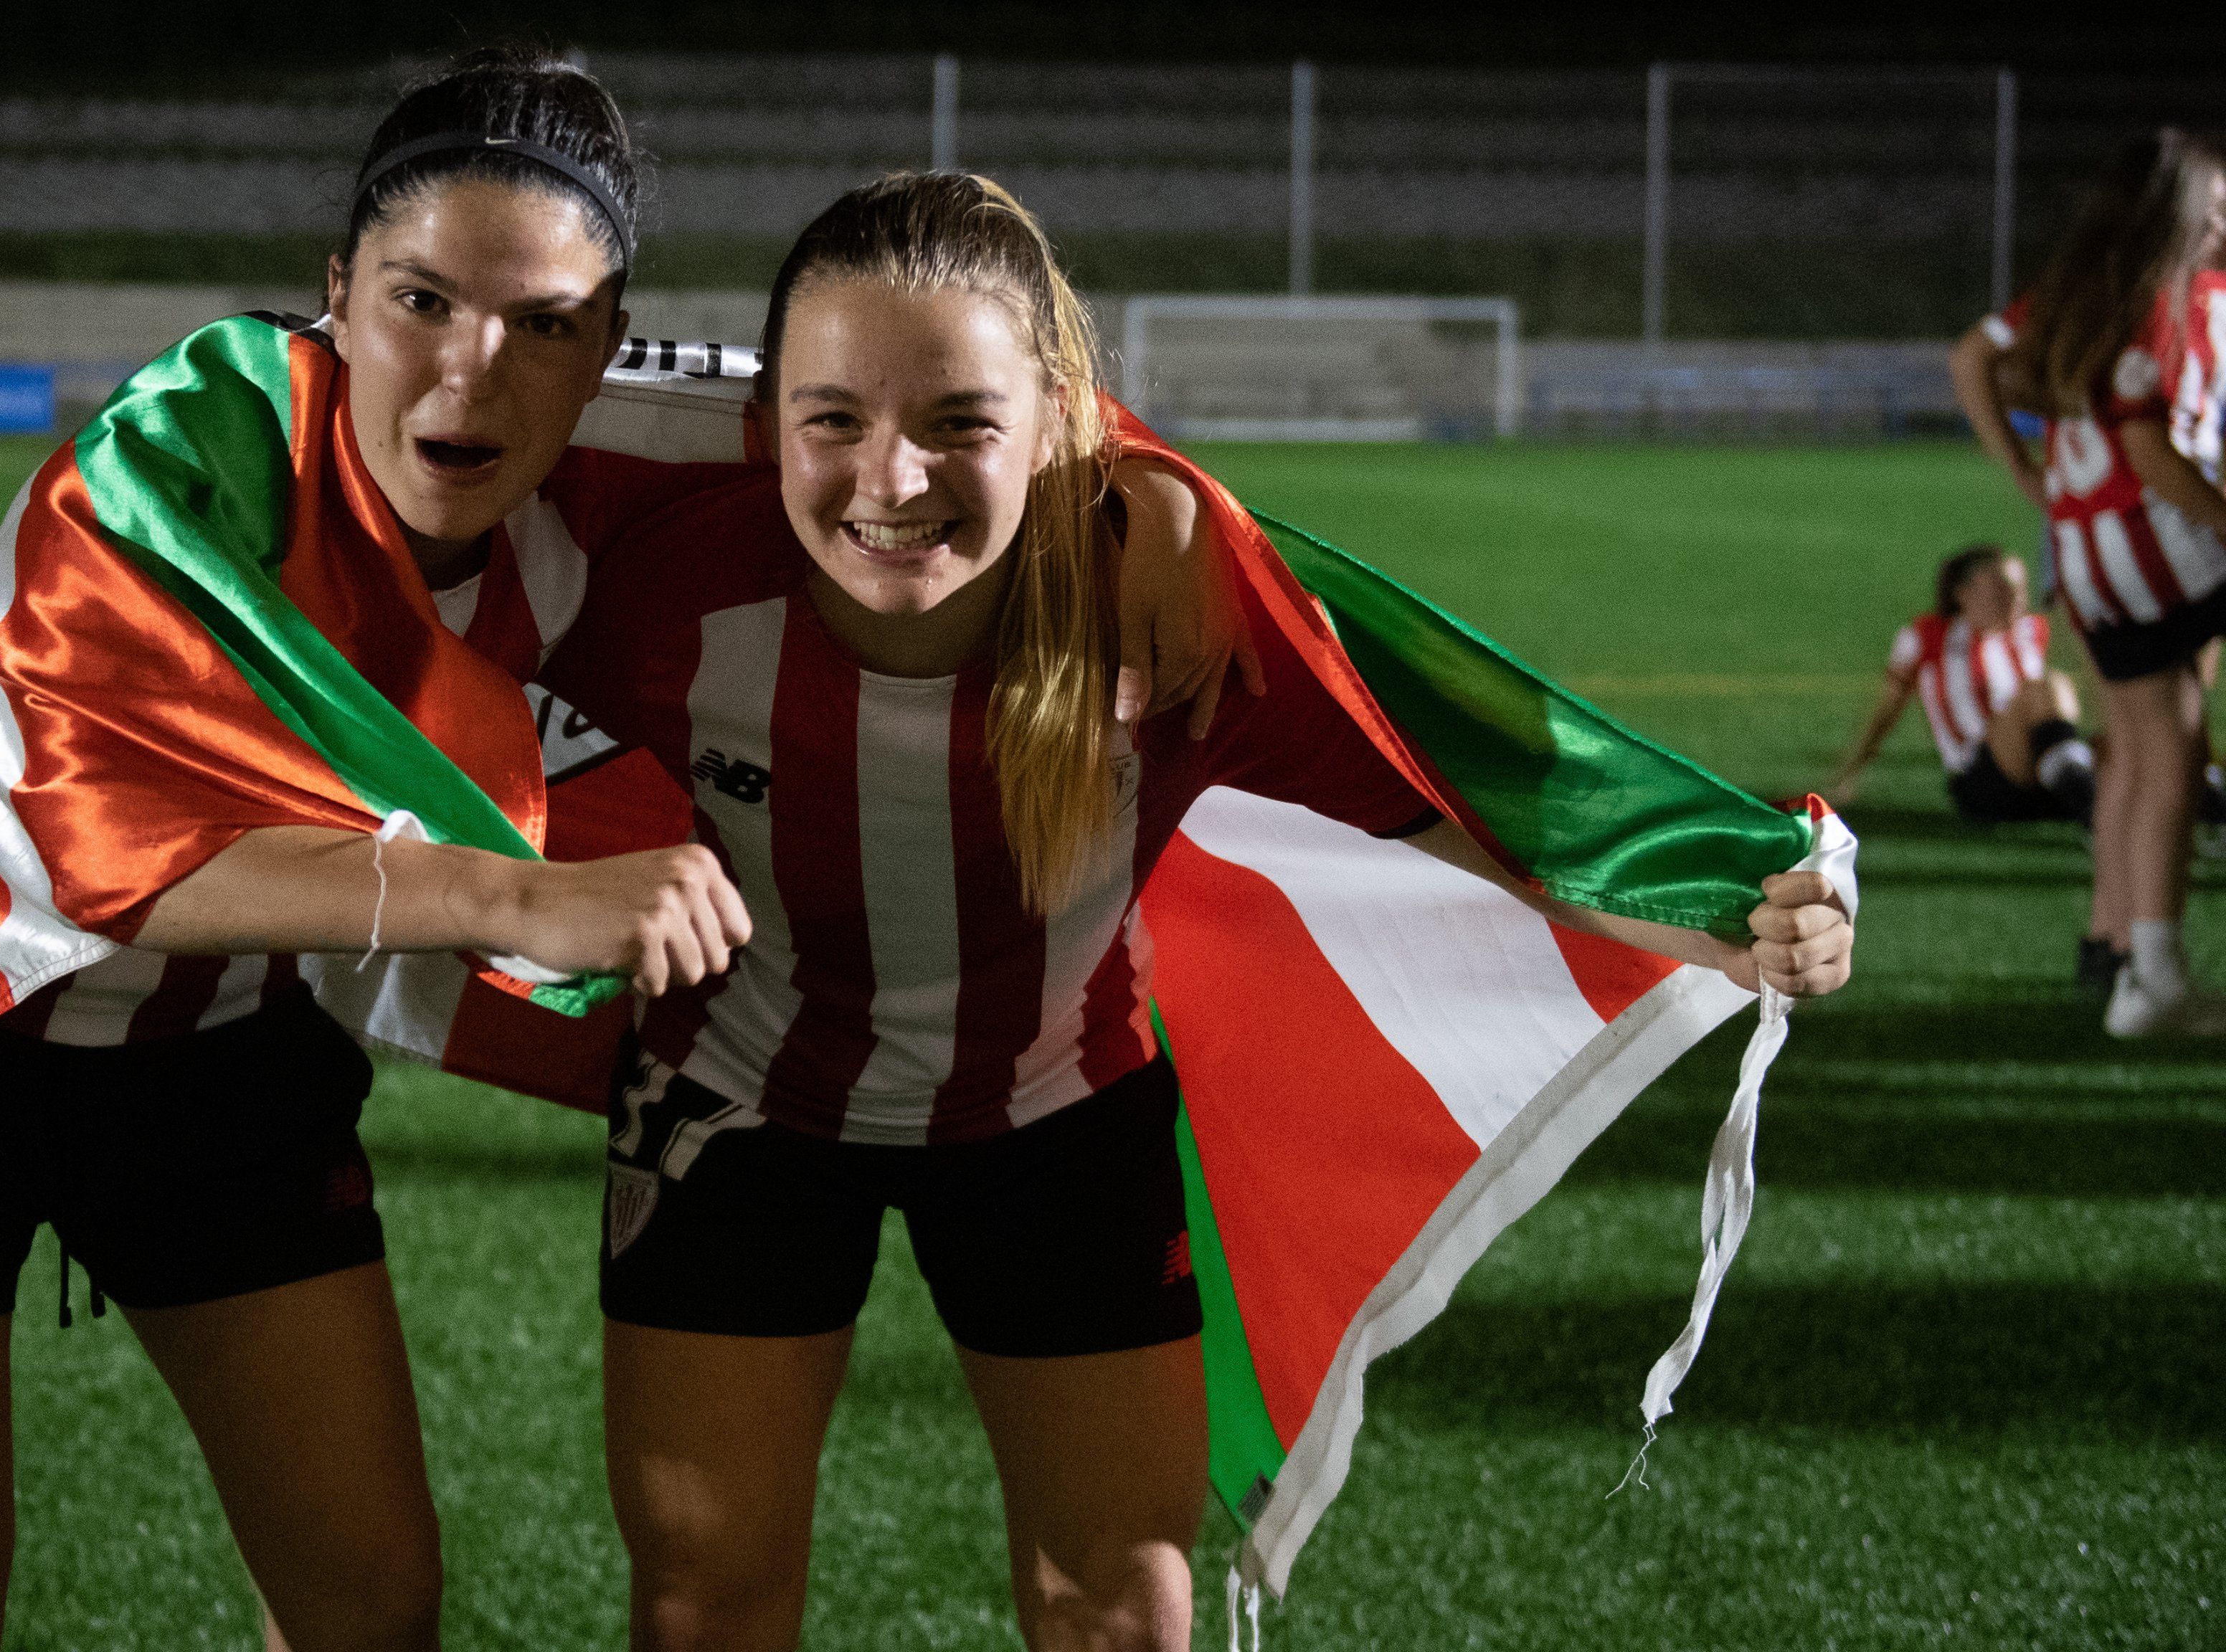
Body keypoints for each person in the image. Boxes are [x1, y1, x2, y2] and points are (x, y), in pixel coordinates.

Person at [0, 51, 1234, 1652]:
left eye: (545, 326)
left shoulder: (625, 447)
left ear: (608, 344)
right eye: (419, 301)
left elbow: (940, 390)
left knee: (374, 1608)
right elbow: (85, 842)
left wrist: (1156, 495)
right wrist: (512, 901)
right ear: (335, 297)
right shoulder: (183, 457)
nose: (469, 373)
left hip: (215, 1055)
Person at [539, 172, 1855, 1652]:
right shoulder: (648, 578)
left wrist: (1733, 920)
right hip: (733, 1118)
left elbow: (1456, 803)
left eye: (960, 424)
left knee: (1118, 1609)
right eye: (831, 418)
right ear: (762, 414)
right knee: (702, 1602)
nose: (888, 479)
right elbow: (370, 562)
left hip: (1057, 1122)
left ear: (1058, 422)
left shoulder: (1165, 602)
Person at [1951, 128, 2226, 1035]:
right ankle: (2149, 972)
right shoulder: (2162, 294)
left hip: (2088, 552)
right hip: (2153, 553)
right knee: (2171, 756)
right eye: (2216, 199)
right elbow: (2149, 444)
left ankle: (2116, 952)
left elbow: (1971, 357)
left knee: (2144, 754)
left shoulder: (2081, 290)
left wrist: (2027, 475)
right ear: (2181, 212)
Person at [1830, 543, 2098, 826]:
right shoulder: (1926, 637)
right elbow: (1886, 713)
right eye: (2004, 588)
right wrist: (1850, 773)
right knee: (2045, 686)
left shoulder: (2031, 630)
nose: (2018, 598)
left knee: (2117, 739)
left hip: (2037, 768)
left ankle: (2082, 799)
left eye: (2021, 588)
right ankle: (2088, 805)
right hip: (1980, 780)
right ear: (1964, 594)